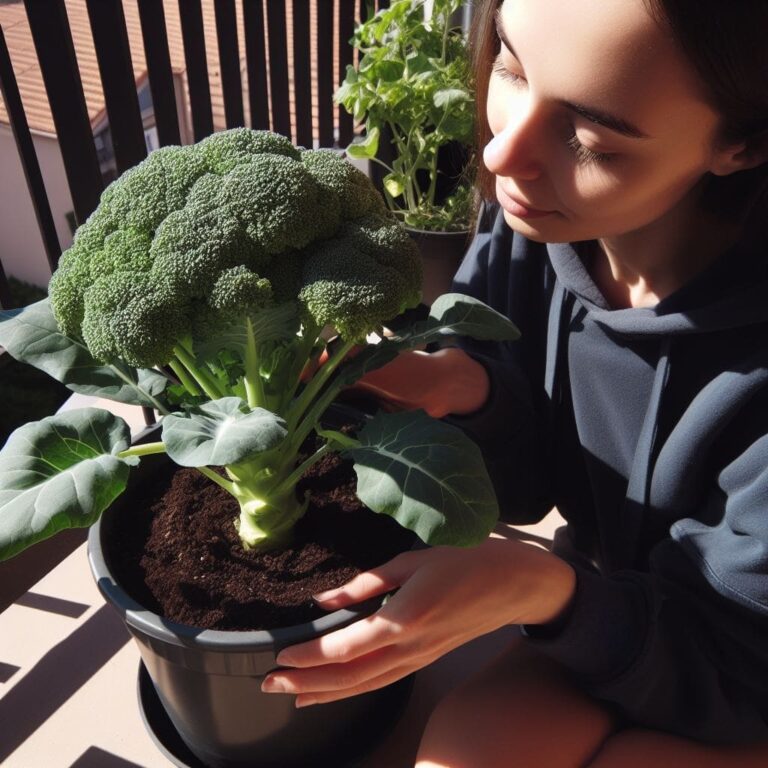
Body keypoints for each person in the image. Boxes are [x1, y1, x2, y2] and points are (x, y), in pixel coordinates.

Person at [261, 0, 768, 764]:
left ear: (742, 144)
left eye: (590, 138)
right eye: (510, 65)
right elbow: (528, 487)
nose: (503, 155)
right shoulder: (544, 222)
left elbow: (738, 670)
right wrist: (464, 389)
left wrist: (542, 589)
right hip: (630, 611)